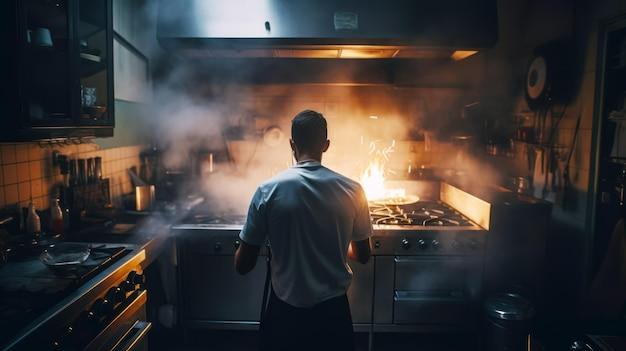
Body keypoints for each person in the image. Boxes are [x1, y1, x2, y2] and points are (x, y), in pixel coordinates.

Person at [234, 109, 373, 351]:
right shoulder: (353, 190)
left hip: (285, 314)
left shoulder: (268, 190)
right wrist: (337, 243)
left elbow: (243, 265)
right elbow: (363, 254)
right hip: (333, 314)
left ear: (291, 144)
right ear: (326, 145)